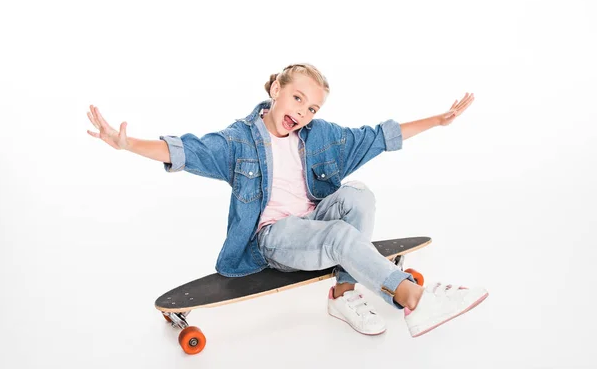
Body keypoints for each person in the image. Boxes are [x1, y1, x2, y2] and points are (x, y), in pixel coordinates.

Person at [86, 63, 488, 337]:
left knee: (359, 197)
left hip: (314, 223)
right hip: (275, 238)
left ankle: (343, 296)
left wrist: (437, 120)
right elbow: (187, 151)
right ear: (276, 89)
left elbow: (376, 137)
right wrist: (127, 145)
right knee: (337, 235)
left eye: (312, 107)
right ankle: (414, 299)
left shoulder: (319, 135)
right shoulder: (238, 141)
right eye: (298, 99)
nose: (304, 112)